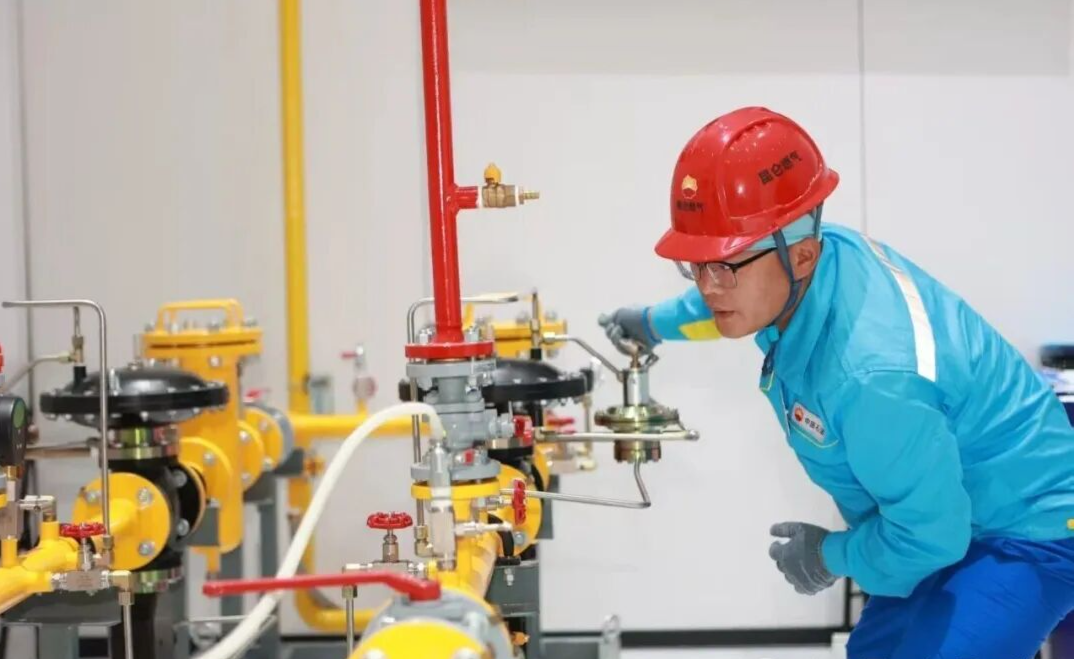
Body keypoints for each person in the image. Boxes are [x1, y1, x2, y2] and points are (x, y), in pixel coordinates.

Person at [599, 106, 1074, 659]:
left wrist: (830, 555)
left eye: (723, 266)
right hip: (942, 512)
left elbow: (932, 535)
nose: (708, 287)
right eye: (695, 265)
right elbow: (722, 298)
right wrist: (652, 323)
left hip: (1026, 527)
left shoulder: (871, 377)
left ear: (800, 254)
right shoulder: (814, 258)